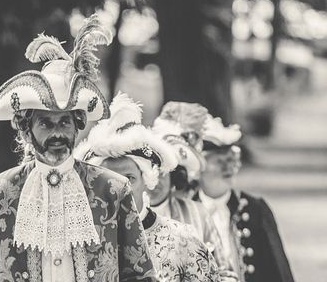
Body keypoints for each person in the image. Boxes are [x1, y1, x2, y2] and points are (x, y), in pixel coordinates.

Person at [0, 15, 157, 282]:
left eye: (65, 121)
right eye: (45, 122)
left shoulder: (113, 189)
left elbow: (140, 275)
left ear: (77, 125)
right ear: (26, 128)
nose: (57, 132)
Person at [76, 92, 221, 282]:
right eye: (107, 179)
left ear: (147, 180)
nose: (117, 189)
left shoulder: (182, 241)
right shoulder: (77, 242)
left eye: (128, 178)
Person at [195, 117, 294, 282]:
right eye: (219, 161)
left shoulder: (255, 209)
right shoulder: (186, 209)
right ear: (199, 168)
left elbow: (278, 270)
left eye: (231, 160)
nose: (227, 168)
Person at [149, 102, 230, 271]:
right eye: (150, 169)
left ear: (176, 177)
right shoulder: (127, 215)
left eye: (164, 172)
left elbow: (223, 270)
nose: (156, 179)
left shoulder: (198, 214)